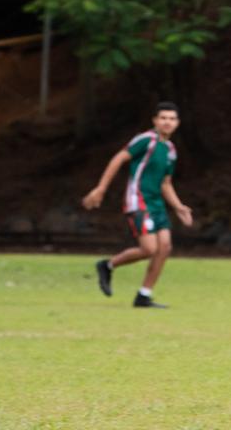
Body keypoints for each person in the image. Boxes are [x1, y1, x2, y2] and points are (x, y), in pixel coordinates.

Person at [82, 101, 194, 308]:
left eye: (171, 119)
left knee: (165, 247)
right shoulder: (147, 140)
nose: (167, 122)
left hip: (156, 203)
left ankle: (144, 295)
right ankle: (108, 265)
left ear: (177, 122)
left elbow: (165, 183)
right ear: (155, 120)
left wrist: (178, 206)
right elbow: (118, 159)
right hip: (138, 200)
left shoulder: (170, 150)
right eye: (163, 118)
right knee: (149, 248)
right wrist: (101, 188)